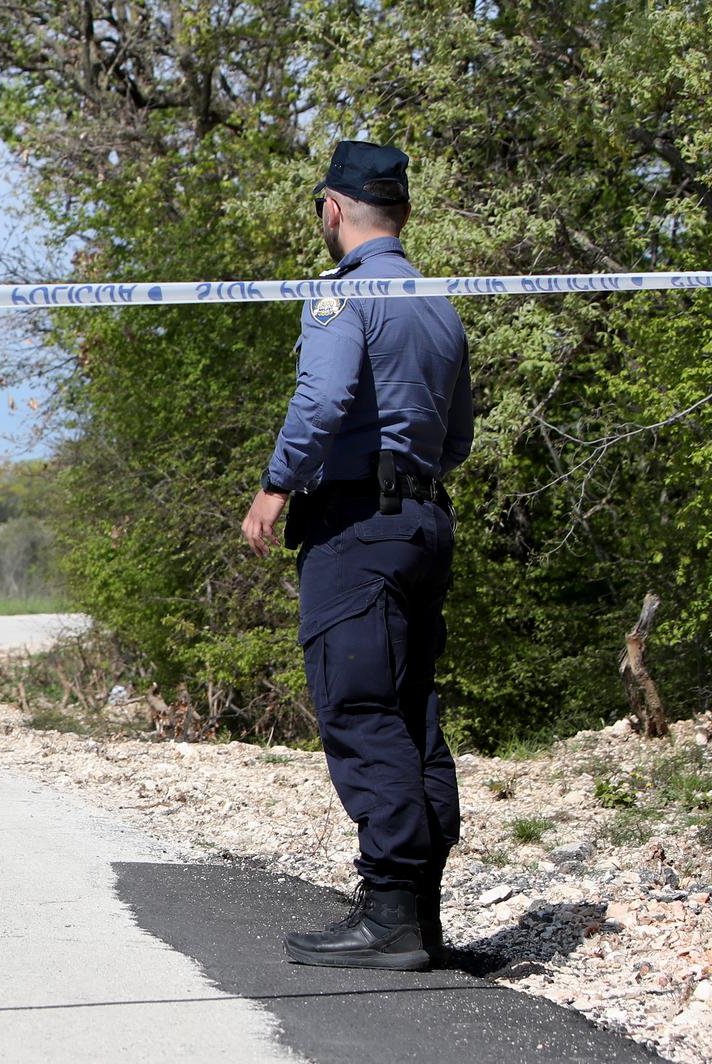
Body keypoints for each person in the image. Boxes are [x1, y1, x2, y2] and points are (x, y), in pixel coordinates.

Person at [240, 140, 473, 971]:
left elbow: (325, 396)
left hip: (356, 530)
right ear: (402, 213)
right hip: (422, 523)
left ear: (332, 210)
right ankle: (421, 913)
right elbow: (457, 438)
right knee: (412, 717)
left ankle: (389, 918)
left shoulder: (344, 298)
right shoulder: (440, 302)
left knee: (361, 709)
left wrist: (277, 484)